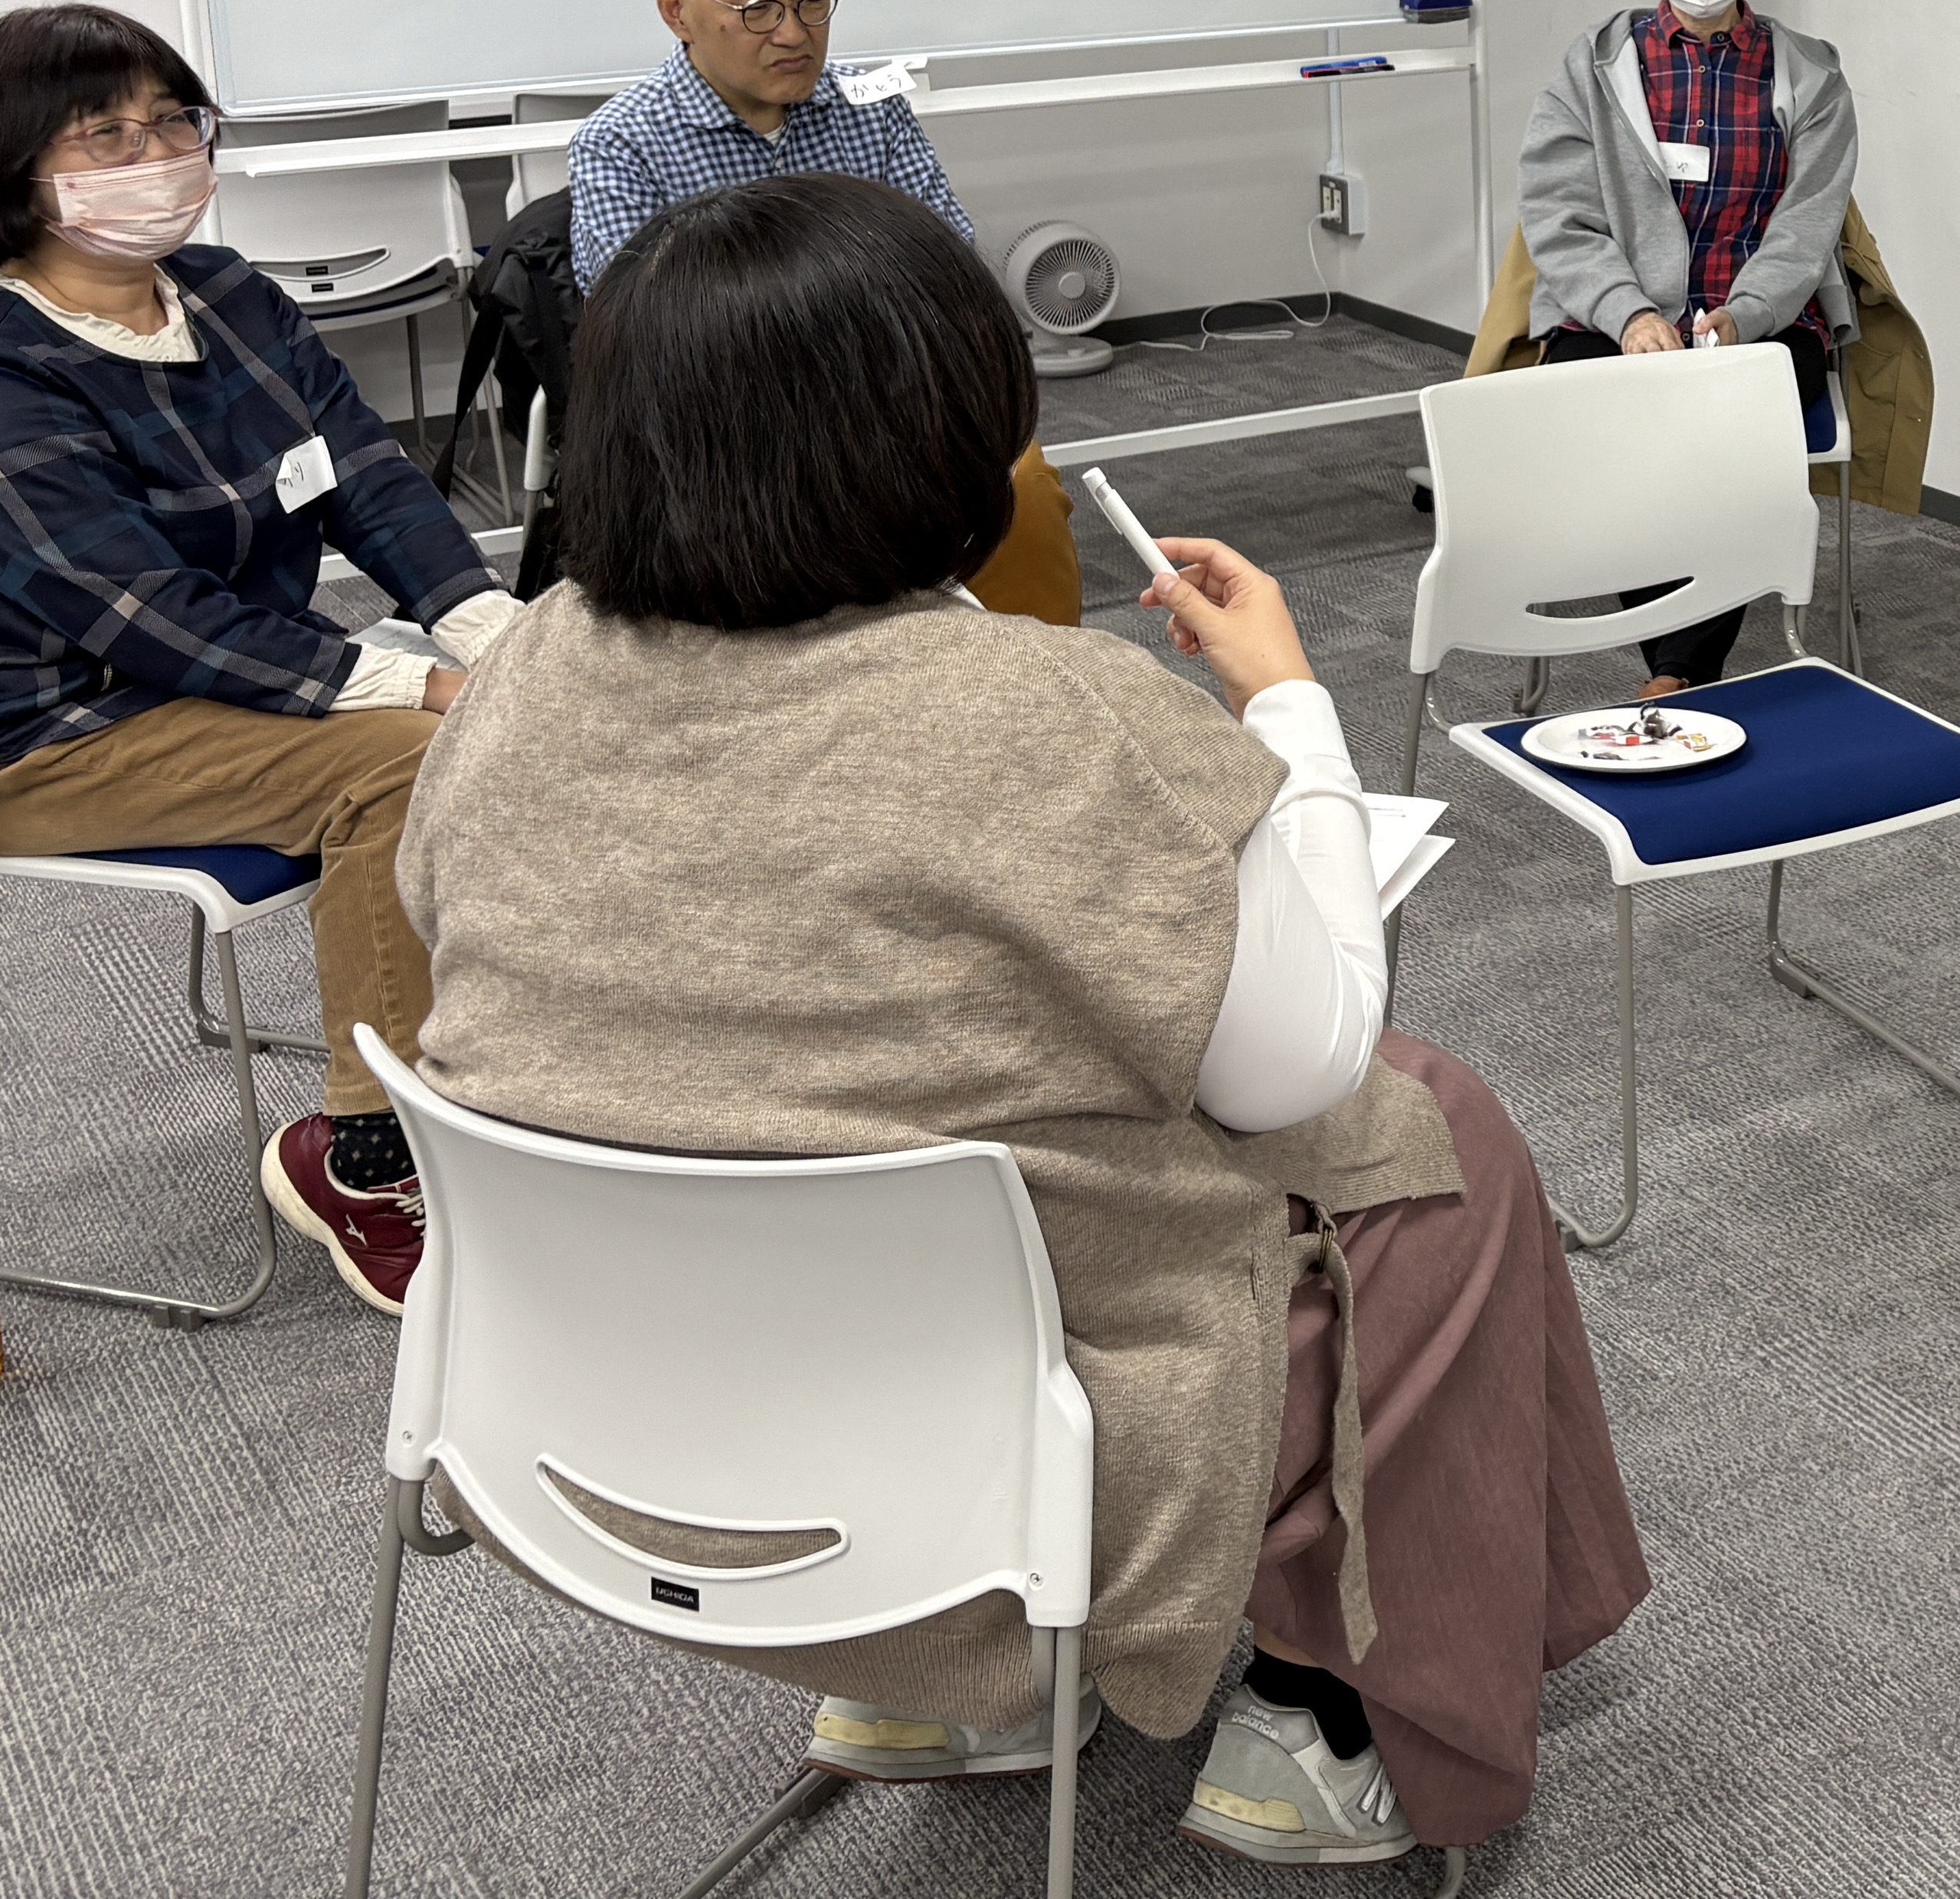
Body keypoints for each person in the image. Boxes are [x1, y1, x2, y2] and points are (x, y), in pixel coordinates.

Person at [400, 174, 1648, 1865]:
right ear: (954, 429)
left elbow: (455, 927)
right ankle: (1327, 1713)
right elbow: (1306, 1060)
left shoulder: (530, 666)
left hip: (570, 1431)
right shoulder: (1058, 715)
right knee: (1438, 1131)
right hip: (980, 1474)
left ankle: (949, 1694)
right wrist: (1290, 710)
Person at [0, 1, 513, 1314]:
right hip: (38, 737)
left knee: (503, 709)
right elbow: (151, 617)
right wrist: (425, 680)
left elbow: (367, 478)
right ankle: (362, 1155)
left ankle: (480, 1080)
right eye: (106, 135)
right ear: (13, 172)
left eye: (173, 120)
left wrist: (493, 636)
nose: (157, 153)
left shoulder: (226, 295)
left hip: (206, 684)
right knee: (403, 761)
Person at [567, 0, 1085, 624]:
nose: (794, 33)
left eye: (815, 2)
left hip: (892, 406)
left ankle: (1034, 683)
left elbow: (950, 277)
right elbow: (648, 344)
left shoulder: (869, 112)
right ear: (677, 11)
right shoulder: (620, 144)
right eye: (758, 9)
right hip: (733, 439)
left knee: (1023, 494)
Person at [1514, 0, 1860, 693]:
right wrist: (1631, 314)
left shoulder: (1810, 76)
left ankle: (1677, 670)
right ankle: (1682, 666)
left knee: (1724, 435)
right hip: (1611, 318)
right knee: (1633, 430)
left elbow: (1806, 229)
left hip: (1762, 324)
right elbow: (1559, 217)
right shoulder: (1594, 67)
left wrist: (1743, 318)